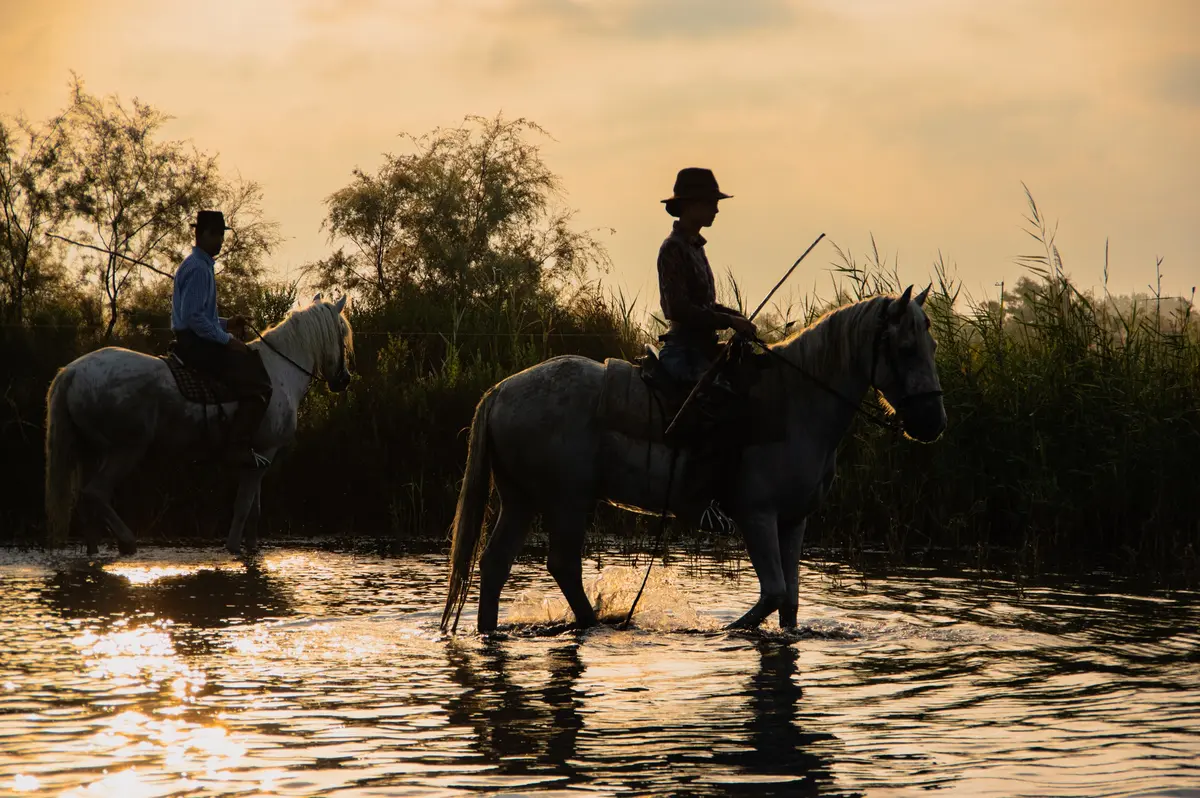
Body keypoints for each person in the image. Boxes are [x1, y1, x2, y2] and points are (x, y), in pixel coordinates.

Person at [654, 168, 755, 529]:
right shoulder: (672, 249)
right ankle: (695, 500)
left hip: (703, 348)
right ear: (690, 206)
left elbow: (705, 305)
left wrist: (734, 316)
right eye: (711, 202)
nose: (716, 209)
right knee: (715, 406)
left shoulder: (695, 247)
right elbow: (677, 309)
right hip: (683, 350)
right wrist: (727, 321)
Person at [171, 210, 273, 468]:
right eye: (215, 234)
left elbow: (200, 317)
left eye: (221, 234)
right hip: (196, 345)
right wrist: (228, 340)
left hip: (192, 339)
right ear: (202, 234)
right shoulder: (198, 269)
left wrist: (227, 324)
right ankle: (238, 446)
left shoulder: (199, 265)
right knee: (259, 382)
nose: (220, 240)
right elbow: (194, 318)